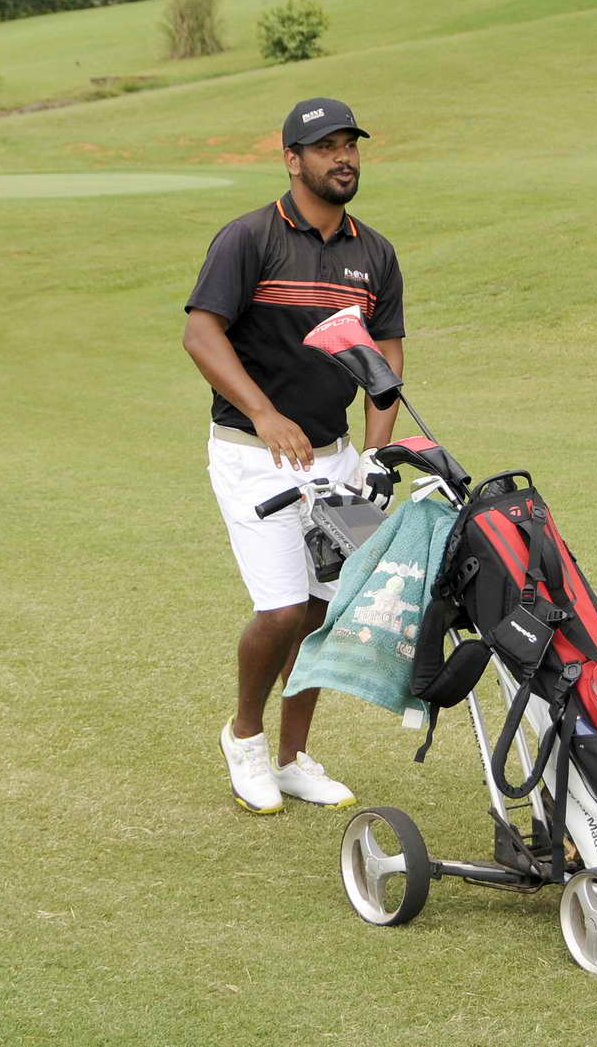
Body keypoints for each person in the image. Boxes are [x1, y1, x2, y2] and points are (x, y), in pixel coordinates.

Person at [182, 98, 405, 814]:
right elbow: (201, 335)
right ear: (291, 159)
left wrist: (377, 453)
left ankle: (291, 757)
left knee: (323, 611)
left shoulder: (375, 253)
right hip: (254, 454)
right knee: (280, 609)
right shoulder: (249, 238)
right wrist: (264, 413)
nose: (344, 158)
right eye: (326, 147)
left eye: (350, 145)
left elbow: (384, 356)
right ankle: (244, 737)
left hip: (336, 459)